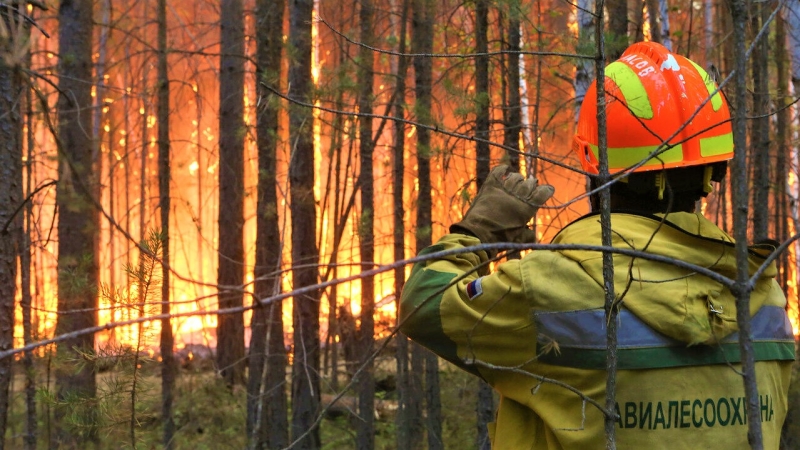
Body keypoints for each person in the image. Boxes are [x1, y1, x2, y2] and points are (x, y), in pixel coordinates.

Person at [398, 41, 794, 449]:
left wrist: (478, 232)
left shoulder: (550, 286)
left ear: (596, 171)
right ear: (715, 171)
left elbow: (424, 306)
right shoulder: (765, 297)